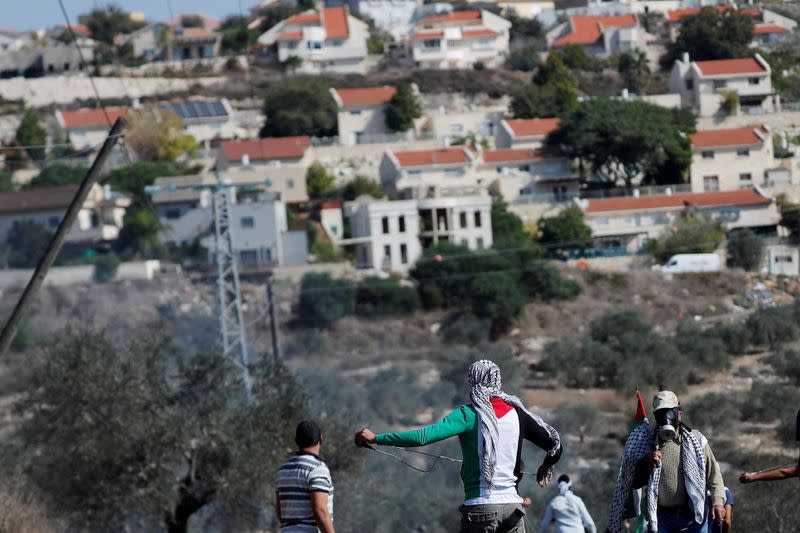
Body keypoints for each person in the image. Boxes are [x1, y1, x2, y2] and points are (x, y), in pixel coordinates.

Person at [354, 359, 563, 533]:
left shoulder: (468, 414)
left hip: (480, 509)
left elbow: (423, 437)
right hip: (513, 510)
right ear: (498, 381)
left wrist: (376, 438)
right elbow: (554, 443)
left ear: (472, 381)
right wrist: (546, 465)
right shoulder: (518, 414)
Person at [630, 391, 726, 533]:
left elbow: (714, 477)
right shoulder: (648, 444)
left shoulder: (697, 441)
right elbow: (636, 482)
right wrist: (648, 462)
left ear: (678, 414)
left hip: (692, 516)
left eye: (669, 412)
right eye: (661, 414)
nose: (666, 418)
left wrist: (718, 502)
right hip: (661, 518)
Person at [275, 421, 335, 533]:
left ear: (296, 441)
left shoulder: (283, 470)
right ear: (321, 440)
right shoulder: (317, 469)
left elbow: (280, 511)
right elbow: (320, 511)